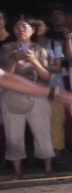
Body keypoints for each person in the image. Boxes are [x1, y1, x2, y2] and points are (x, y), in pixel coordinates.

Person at [2, 18, 60, 177]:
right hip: (12, 95)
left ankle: (48, 168)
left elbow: (46, 76)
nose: (21, 29)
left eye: (25, 26)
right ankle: (17, 171)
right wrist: (14, 59)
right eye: (18, 26)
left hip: (36, 93)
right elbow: (4, 77)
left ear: (32, 31)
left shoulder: (39, 49)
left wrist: (34, 61)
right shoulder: (6, 49)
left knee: (42, 131)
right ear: (13, 30)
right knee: (13, 134)